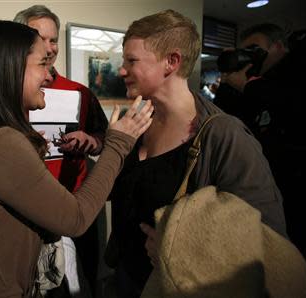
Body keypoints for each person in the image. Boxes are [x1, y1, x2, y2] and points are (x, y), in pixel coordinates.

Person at [0, 19, 153, 297]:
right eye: (42, 65)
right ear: (10, 70)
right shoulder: (0, 142)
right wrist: (119, 143)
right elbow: (76, 218)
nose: (49, 76)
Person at [105, 10, 288, 298]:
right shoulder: (138, 121)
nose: (122, 70)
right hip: (128, 281)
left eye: (132, 61)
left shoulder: (224, 136)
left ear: (172, 62)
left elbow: (269, 240)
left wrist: (183, 252)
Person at [14, 5, 109, 296]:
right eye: (39, 38)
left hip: (76, 204)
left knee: (82, 284)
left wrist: (90, 142)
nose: (49, 47)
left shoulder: (80, 92)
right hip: (27, 212)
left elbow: (103, 137)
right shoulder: (8, 92)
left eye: (53, 39)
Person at [219, 23, 306, 286]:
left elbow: (303, 107)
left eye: (255, 49)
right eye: (246, 51)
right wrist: (230, 80)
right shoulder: (253, 84)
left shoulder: (300, 71)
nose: (251, 55)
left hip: (300, 191)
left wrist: (249, 86)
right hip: (257, 190)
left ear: (278, 47)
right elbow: (224, 119)